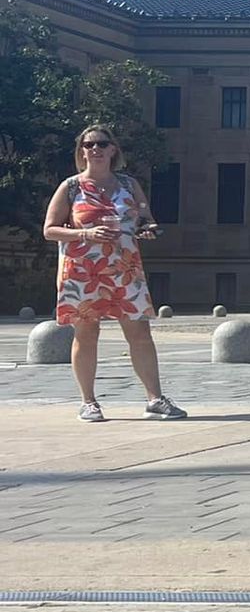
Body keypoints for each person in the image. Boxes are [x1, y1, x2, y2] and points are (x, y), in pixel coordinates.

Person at [40, 125, 187, 422]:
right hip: (83, 271)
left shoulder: (129, 185)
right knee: (87, 333)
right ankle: (89, 402)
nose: (95, 149)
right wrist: (86, 233)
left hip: (124, 268)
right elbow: (49, 230)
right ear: (81, 151)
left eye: (101, 143)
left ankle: (155, 399)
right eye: (88, 144)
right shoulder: (71, 186)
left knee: (140, 333)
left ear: (112, 150)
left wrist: (147, 229)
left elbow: (145, 218)